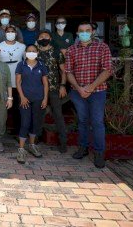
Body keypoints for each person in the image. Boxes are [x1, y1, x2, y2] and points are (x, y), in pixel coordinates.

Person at [66, 22, 112, 169]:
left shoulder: (102, 47)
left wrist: (91, 87)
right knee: (82, 120)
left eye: (87, 30)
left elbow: (107, 70)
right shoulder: (72, 50)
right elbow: (68, 72)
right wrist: (79, 89)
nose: (84, 33)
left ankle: (99, 153)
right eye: (81, 31)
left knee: (97, 122)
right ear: (77, 33)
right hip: (78, 92)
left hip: (97, 92)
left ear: (92, 32)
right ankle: (83, 148)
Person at [15, 45, 49, 163]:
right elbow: (18, 82)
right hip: (25, 99)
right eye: (29, 51)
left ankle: (32, 145)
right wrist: (22, 97)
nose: (31, 53)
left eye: (33, 51)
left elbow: (45, 83)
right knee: (25, 122)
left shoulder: (41, 65)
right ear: (25, 53)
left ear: (37, 52)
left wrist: (45, 98)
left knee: (35, 122)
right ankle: (21, 149)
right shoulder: (21, 65)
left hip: (38, 98)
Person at [36, 30, 68, 153]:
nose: (43, 38)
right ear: (38, 39)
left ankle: (63, 142)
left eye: (46, 36)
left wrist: (63, 85)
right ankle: (37, 137)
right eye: (41, 36)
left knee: (58, 114)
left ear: (50, 38)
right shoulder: (35, 53)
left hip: (54, 89)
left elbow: (63, 71)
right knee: (38, 113)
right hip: (38, 89)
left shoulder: (56, 52)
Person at [0, 25, 26, 136]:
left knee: (17, 110)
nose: (10, 33)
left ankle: (18, 132)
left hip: (17, 83)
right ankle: (1, 132)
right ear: (5, 33)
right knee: (1, 110)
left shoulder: (22, 46)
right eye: (8, 31)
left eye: (12, 31)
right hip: (2, 82)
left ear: (16, 33)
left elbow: (27, 62)